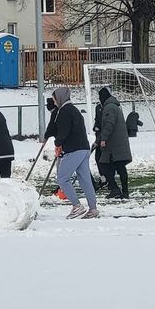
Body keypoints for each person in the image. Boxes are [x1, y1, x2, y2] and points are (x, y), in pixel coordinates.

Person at [50, 86, 98, 218]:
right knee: (85, 179)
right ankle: (93, 208)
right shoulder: (75, 110)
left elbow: (63, 131)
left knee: (62, 178)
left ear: (59, 98)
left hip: (74, 149)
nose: (54, 102)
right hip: (84, 148)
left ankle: (77, 206)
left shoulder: (64, 111)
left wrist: (58, 143)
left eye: (54, 99)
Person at [96, 86, 132, 199]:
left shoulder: (109, 107)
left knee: (104, 164)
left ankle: (118, 189)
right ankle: (121, 190)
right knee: (118, 167)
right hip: (117, 143)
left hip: (114, 145)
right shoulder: (114, 105)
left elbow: (108, 125)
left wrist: (103, 139)